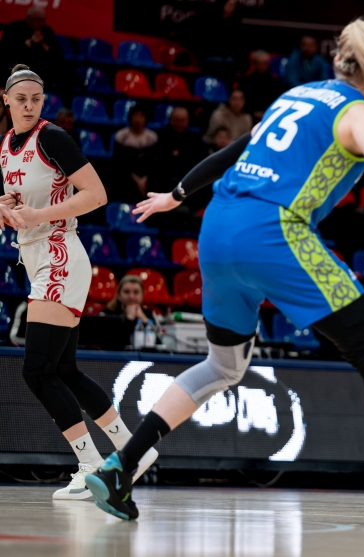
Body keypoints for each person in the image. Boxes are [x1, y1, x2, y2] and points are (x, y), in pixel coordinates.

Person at [86, 19, 364, 529]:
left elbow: (232, 153)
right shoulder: (358, 112)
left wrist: (177, 194)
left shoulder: (295, 95)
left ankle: (120, 466)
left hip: (216, 227)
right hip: (271, 231)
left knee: (222, 366)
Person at [0, 65, 157, 501]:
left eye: (36, 99)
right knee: (64, 370)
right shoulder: (7, 146)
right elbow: (21, 202)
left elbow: (96, 195)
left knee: (37, 371)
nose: (29, 106)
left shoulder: (53, 138)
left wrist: (37, 214)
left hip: (59, 256)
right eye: (21, 99)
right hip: (39, 257)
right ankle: (133, 451)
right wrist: (6, 206)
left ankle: (91, 467)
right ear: (5, 100)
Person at [0, 7, 63, 88]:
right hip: (16, 70)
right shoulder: (13, 28)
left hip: (40, 72)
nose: (40, 23)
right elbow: (7, 53)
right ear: (28, 18)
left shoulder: (47, 31)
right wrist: (29, 42)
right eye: (37, 20)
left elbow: (57, 54)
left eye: (43, 20)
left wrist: (43, 44)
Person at [152, 107, 207, 194]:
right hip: (164, 181)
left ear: (188, 120)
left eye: (182, 120)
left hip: (187, 183)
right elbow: (156, 161)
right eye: (176, 120)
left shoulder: (195, 140)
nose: (179, 123)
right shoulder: (161, 136)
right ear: (171, 120)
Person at [114, 107, 158, 203]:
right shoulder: (121, 136)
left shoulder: (152, 137)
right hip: (127, 176)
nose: (138, 119)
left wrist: (144, 178)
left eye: (141, 116)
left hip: (146, 177)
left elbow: (153, 162)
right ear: (130, 117)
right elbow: (119, 162)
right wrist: (136, 180)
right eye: (135, 116)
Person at [238, 50, 285, 121]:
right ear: (254, 64)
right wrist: (253, 112)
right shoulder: (246, 81)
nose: (261, 66)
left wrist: (265, 112)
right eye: (258, 63)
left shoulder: (276, 83)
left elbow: (277, 102)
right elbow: (243, 101)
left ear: (268, 64)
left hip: (269, 116)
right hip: (249, 116)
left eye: (264, 63)